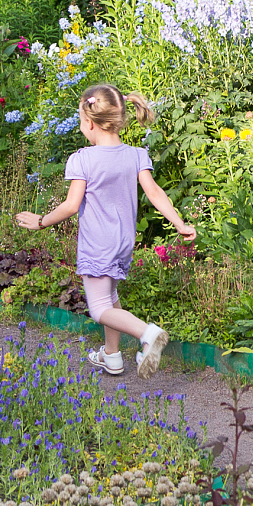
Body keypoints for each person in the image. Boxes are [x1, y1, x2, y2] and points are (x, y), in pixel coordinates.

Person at [16, 84, 196, 378]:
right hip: (123, 243)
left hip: (97, 244)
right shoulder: (136, 154)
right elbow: (155, 193)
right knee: (110, 297)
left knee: (99, 309)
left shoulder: (82, 159)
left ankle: (148, 333)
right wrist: (180, 223)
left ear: (89, 122)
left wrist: (41, 221)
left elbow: (72, 205)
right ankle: (111, 356)